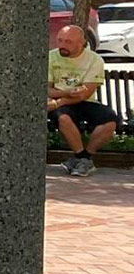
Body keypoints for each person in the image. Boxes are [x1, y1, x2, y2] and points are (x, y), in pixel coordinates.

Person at [49, 24, 119, 176]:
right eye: (60, 40)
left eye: (68, 42)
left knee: (110, 121)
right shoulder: (51, 57)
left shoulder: (94, 60)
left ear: (81, 43)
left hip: (83, 102)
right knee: (64, 118)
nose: (62, 45)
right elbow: (46, 89)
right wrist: (67, 93)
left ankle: (82, 158)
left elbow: (84, 94)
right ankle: (83, 159)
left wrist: (59, 101)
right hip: (61, 102)